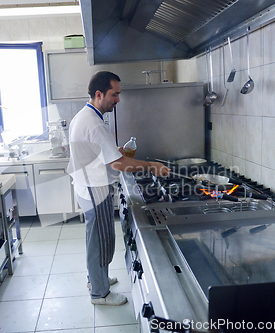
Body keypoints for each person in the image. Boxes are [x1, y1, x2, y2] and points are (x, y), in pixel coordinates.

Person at [67, 71, 170, 306]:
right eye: (115, 95)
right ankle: (100, 294)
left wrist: (116, 152)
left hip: (88, 187)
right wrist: (151, 166)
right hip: (95, 189)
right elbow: (118, 164)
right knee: (100, 240)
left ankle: (96, 279)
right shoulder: (93, 123)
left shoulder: (87, 116)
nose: (118, 100)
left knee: (95, 238)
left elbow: (104, 155)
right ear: (99, 94)